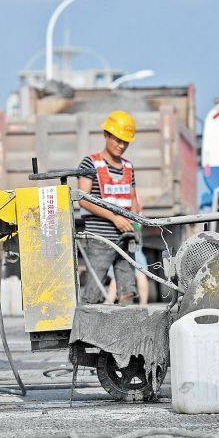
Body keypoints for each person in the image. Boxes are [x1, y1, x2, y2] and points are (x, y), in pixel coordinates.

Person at [77, 110, 139, 305]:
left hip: (125, 238)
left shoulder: (128, 167)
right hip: (99, 239)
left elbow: (133, 200)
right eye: (117, 140)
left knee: (128, 291)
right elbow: (84, 200)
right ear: (106, 135)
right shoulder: (90, 163)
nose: (121, 145)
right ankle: (85, 333)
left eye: (125, 142)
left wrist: (133, 222)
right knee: (93, 292)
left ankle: (125, 332)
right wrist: (115, 218)